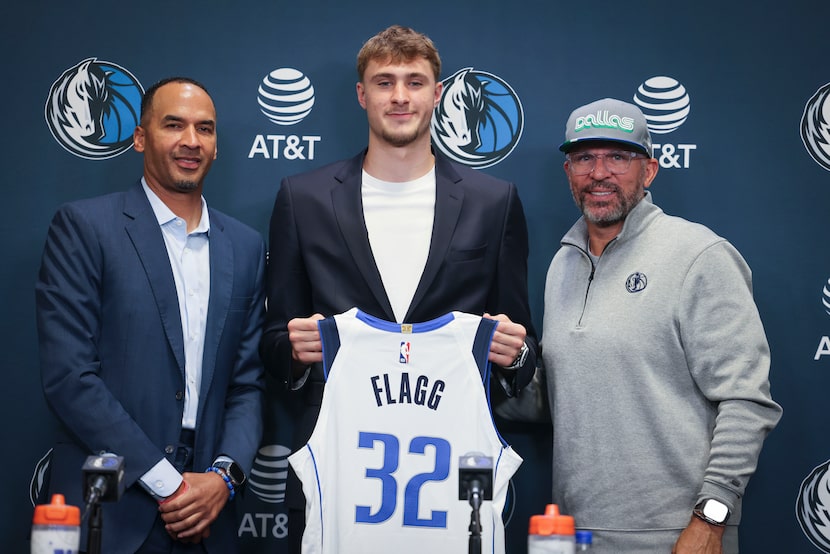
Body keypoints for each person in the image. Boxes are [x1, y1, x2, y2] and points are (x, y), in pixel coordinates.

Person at [259, 24, 537, 552]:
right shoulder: (304, 198)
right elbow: (274, 345)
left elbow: (523, 351)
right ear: (363, 95)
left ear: (438, 93)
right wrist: (293, 353)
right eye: (384, 82)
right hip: (339, 471)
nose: (400, 96)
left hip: (456, 479)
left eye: (415, 81)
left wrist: (516, 354)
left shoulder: (492, 201)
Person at [540, 97, 782, 553]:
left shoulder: (699, 255)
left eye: (618, 157)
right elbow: (569, 394)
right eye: (584, 158)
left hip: (678, 537)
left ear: (649, 171)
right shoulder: (562, 265)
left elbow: (747, 400)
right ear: (569, 172)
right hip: (574, 537)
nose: (599, 172)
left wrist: (711, 517)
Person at [35, 77, 266, 553]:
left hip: (210, 516)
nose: (190, 141)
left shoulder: (244, 247)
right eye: (173, 125)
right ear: (141, 137)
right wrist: (170, 483)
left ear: (217, 146)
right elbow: (70, 377)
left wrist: (222, 479)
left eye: (205, 129)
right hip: (112, 507)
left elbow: (247, 384)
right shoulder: (84, 227)